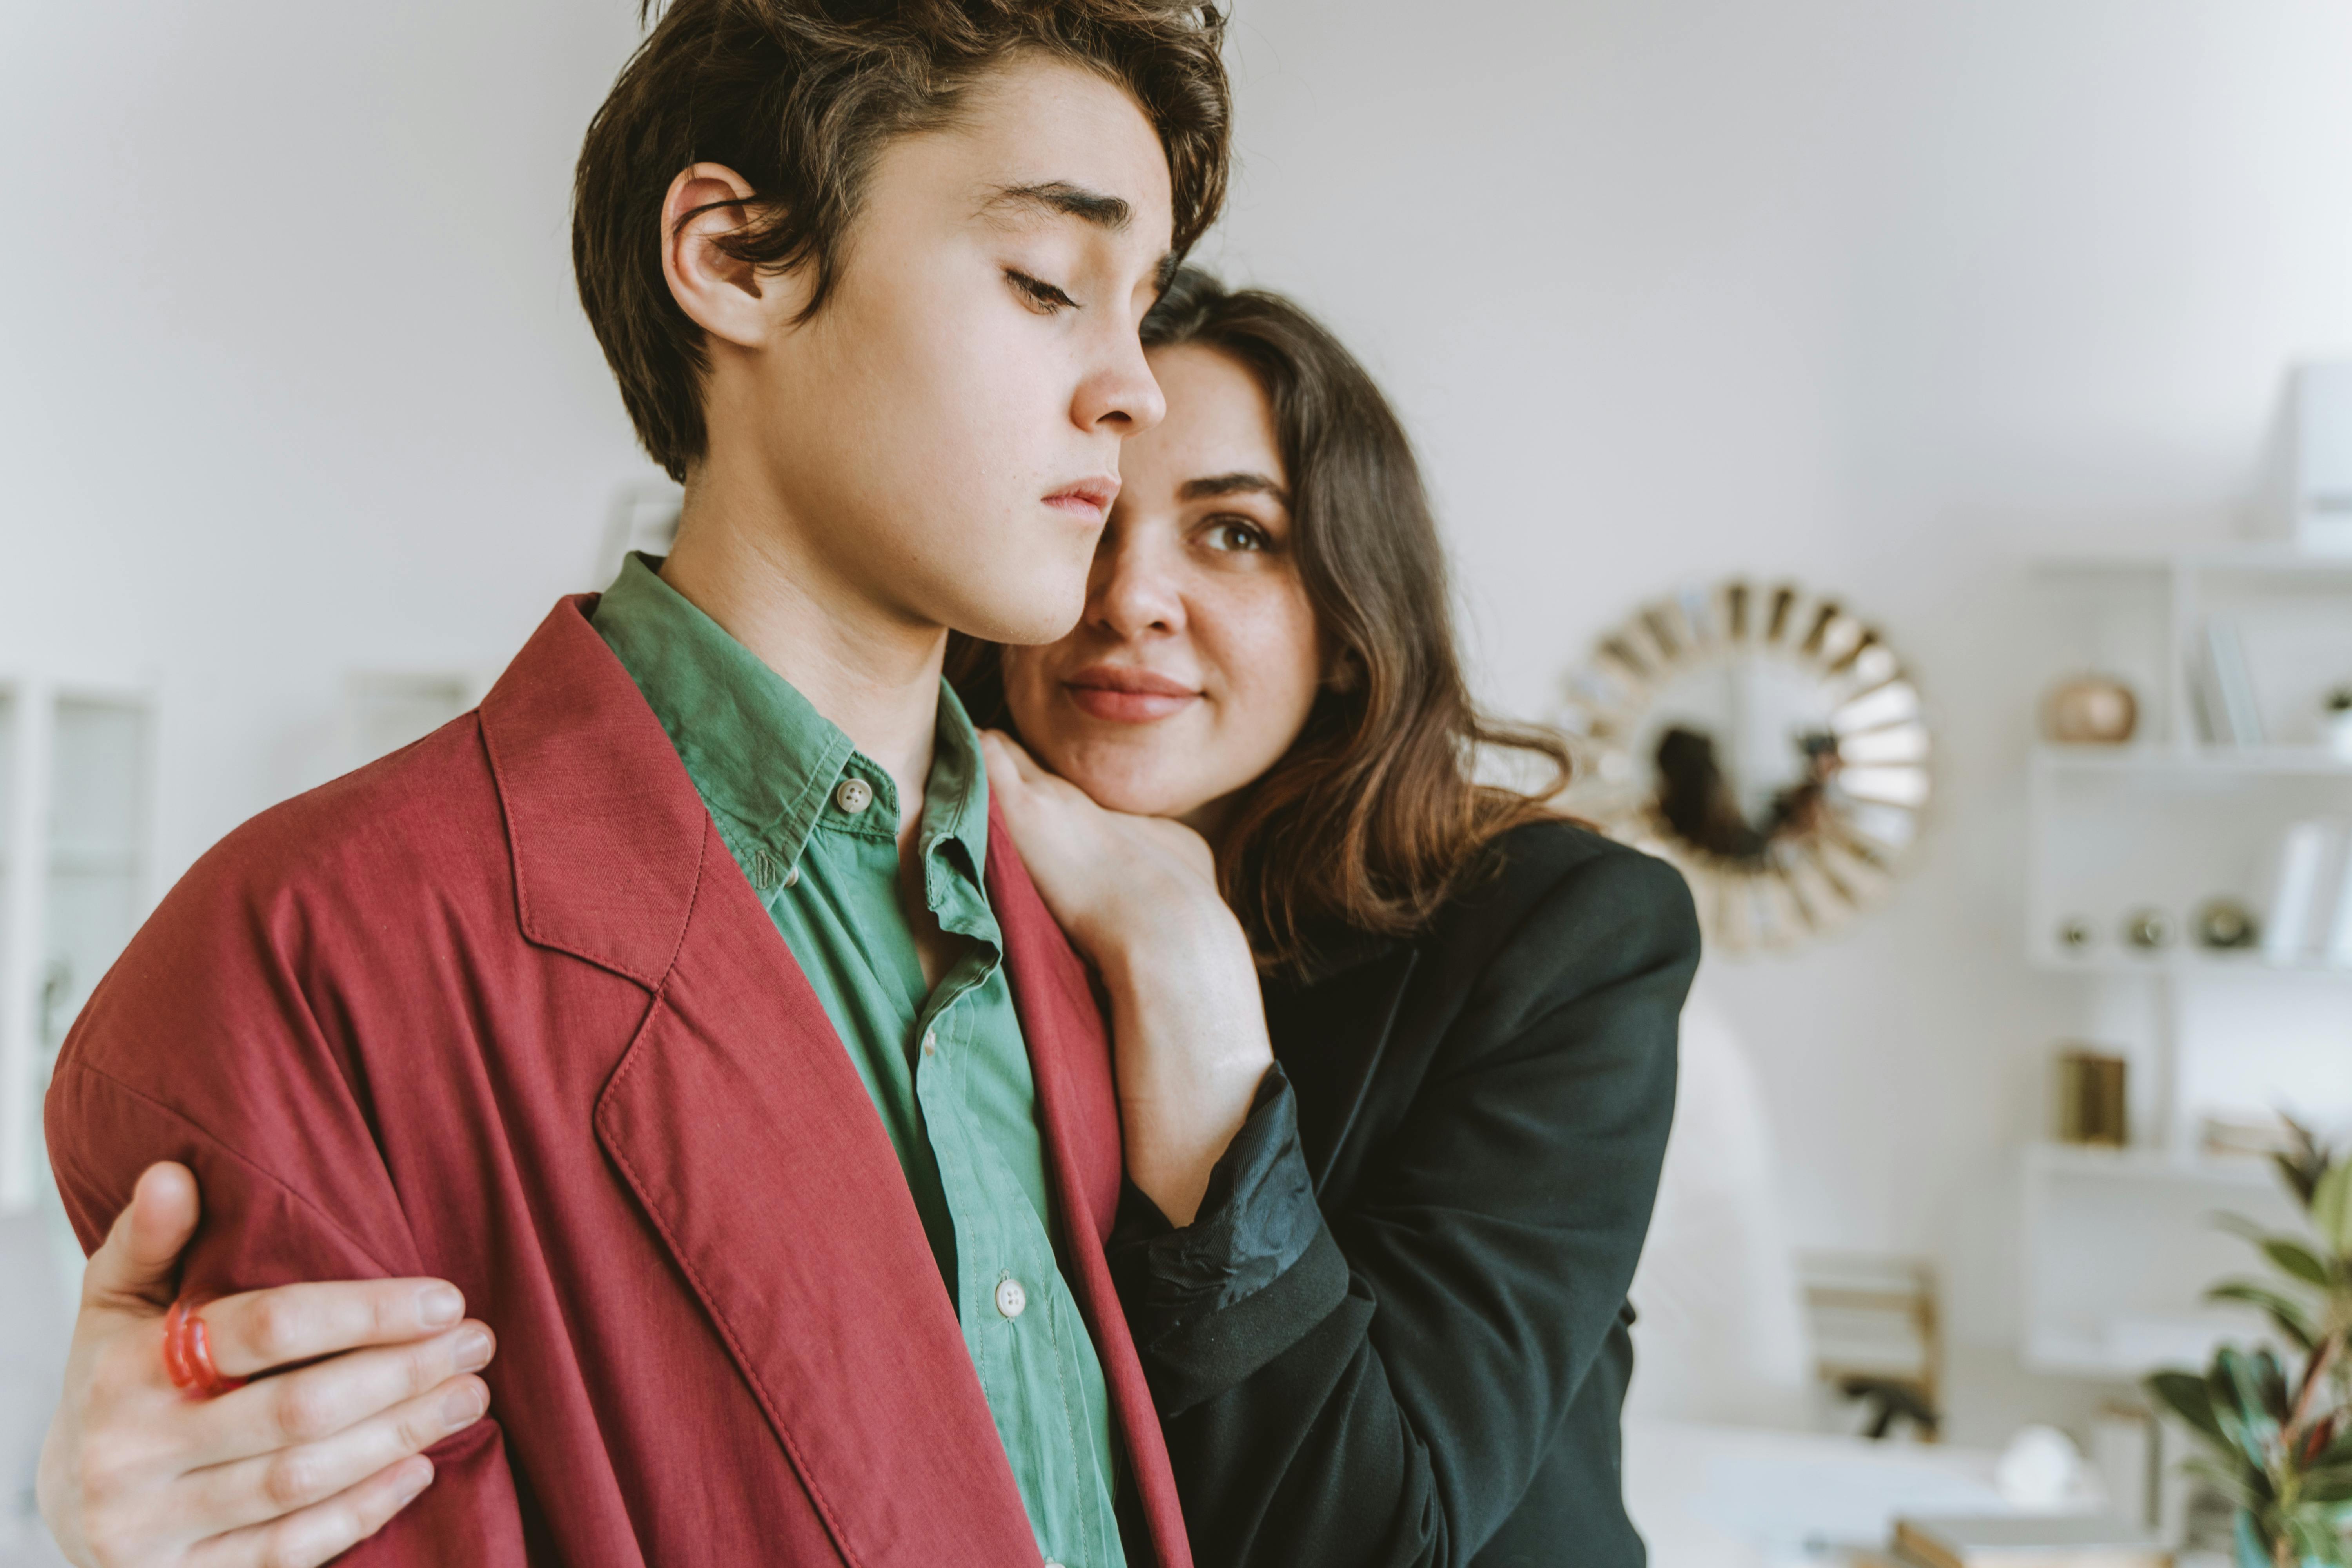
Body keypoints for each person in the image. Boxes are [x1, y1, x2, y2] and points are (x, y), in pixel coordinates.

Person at [45, 266, 1699, 1567]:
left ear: (1352, 615)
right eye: (1092, 519)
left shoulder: (1557, 938)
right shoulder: (891, 903)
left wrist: (1191, 990)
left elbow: (1368, 1540)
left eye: (1238, 534)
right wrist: (151, 1483)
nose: (1131, 599)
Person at [37, 1, 1230, 1564]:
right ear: (736, 253)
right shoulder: (308, 957)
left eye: (1142, 309)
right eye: (1045, 284)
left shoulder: (1103, 923)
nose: (1135, 390)